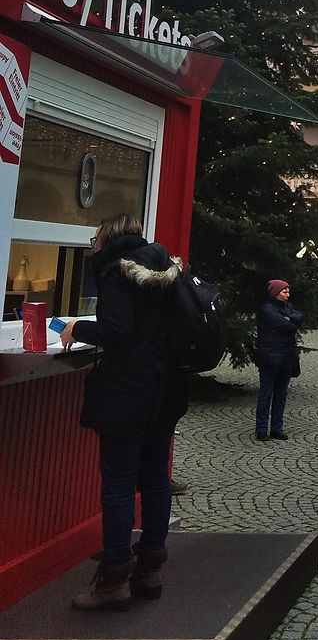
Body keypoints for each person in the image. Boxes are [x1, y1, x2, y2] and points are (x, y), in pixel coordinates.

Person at [59, 214, 187, 611]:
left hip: (128, 393)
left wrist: (76, 328)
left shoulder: (115, 272)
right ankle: (149, 571)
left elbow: (117, 331)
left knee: (117, 483)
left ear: (106, 236)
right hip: (165, 391)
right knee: (154, 480)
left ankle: (113, 578)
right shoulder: (166, 266)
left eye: (94, 235)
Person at [255, 278, 302, 440]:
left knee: (281, 395)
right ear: (276, 293)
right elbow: (285, 326)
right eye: (284, 291)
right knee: (266, 394)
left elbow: (299, 318)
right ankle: (261, 429)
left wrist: (289, 319)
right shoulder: (267, 309)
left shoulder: (287, 307)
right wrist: (289, 320)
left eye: (288, 291)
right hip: (269, 357)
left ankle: (277, 428)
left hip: (286, 358)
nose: (288, 294)